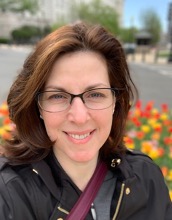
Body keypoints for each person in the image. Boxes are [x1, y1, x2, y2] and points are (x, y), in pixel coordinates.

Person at [0, 22, 171, 220]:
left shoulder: (147, 179)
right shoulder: (9, 196)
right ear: (38, 107)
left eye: (96, 94)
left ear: (116, 101)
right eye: (57, 96)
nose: (79, 117)